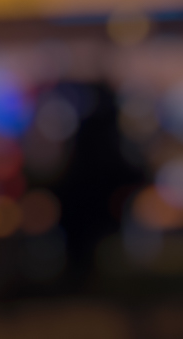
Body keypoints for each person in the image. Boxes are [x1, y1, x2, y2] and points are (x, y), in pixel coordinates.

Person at [47, 77, 145, 286]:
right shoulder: (103, 131)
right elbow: (123, 172)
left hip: (86, 217)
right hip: (97, 217)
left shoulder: (88, 131)